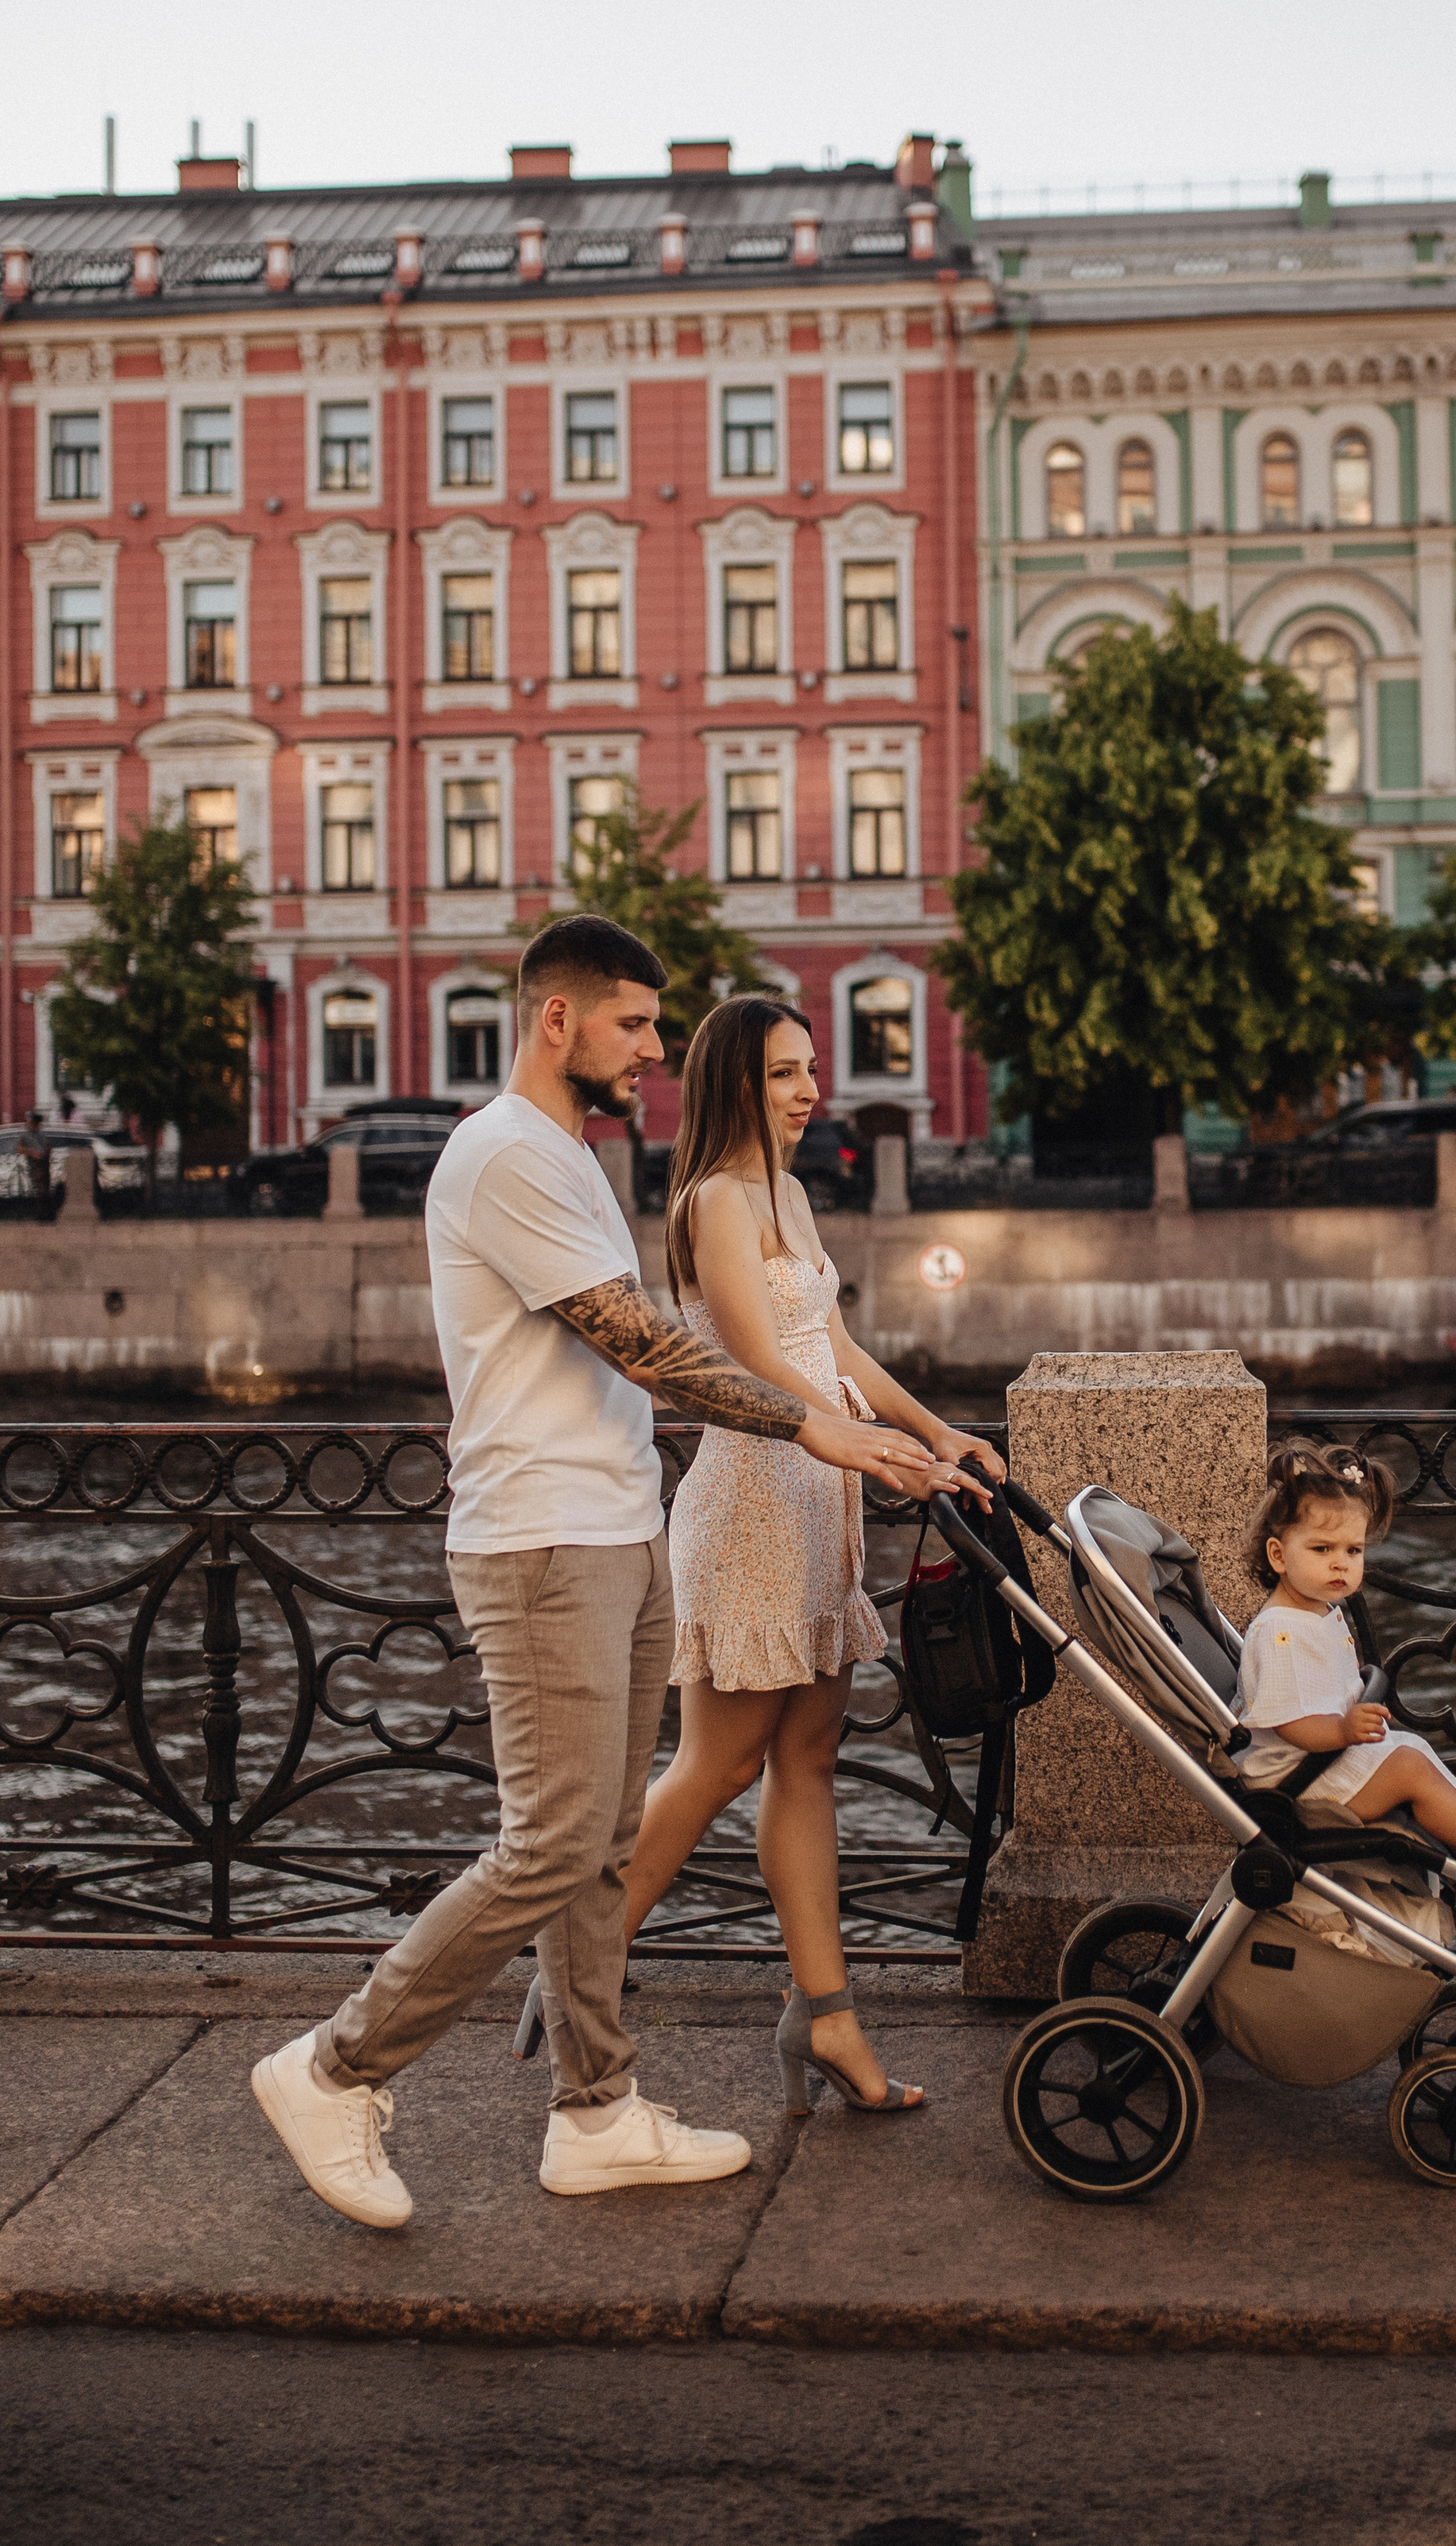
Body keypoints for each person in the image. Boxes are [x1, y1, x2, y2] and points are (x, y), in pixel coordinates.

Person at [251, 918, 971, 2232]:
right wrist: (818, 1424)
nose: (656, 1048)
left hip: (621, 1522)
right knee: (555, 1846)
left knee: (590, 1859)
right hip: (541, 1539)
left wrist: (885, 1427)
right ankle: (332, 2066)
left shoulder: (575, 1161)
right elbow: (641, 1345)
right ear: (557, 1021)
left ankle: (596, 2113)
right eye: (635, 1024)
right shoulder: (505, 1158)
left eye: (655, 1025)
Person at [609, 991, 1006, 2118]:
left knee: (811, 1762)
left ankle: (827, 2017)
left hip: (826, 1497)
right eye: (787, 1071)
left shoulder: (786, 1193)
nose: (809, 1090)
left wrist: (933, 1432)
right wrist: (866, 1443)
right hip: (751, 1497)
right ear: (738, 1081)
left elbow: (830, 1344)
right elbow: (752, 1368)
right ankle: (580, 1959)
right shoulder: (714, 1201)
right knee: (722, 1763)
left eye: (811, 1069)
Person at [1238, 1446, 1456, 1881]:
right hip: (1296, 1784)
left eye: (1353, 1550)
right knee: (1409, 1763)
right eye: (1321, 1549)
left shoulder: (1316, 1609)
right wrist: (1340, 1729)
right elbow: (1288, 1722)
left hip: (1321, 1764)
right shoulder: (1280, 1630)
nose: (1340, 1562)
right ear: (1278, 1556)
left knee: (1412, 1750)